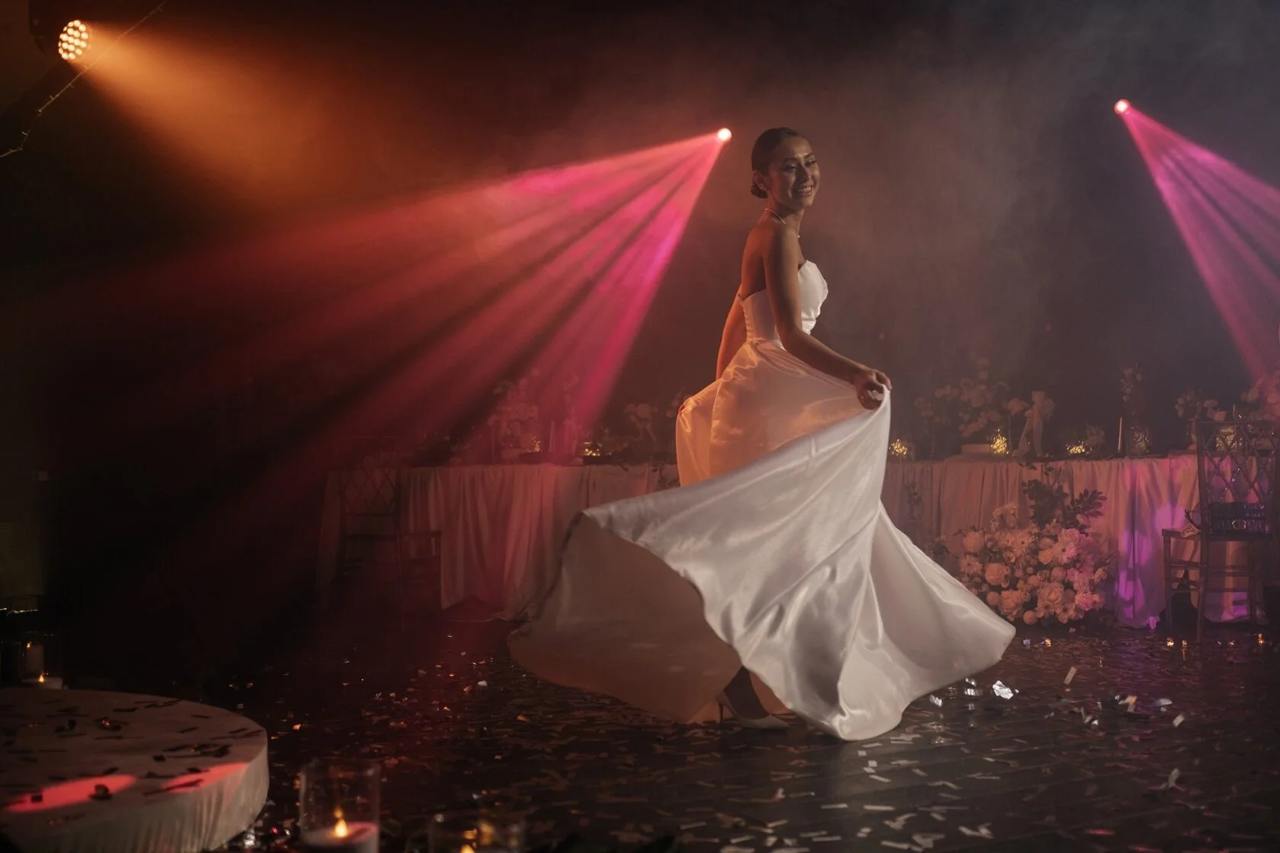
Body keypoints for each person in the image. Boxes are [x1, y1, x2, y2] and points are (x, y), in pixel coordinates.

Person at [508, 128, 1014, 740]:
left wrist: (719, 388)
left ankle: (767, 678)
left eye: (810, 163)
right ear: (760, 179)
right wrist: (854, 373)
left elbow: (737, 315)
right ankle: (760, 678)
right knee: (774, 539)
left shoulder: (776, 234)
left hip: (766, 388)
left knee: (788, 538)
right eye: (789, 167)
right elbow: (790, 338)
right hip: (773, 386)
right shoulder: (772, 233)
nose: (805, 176)